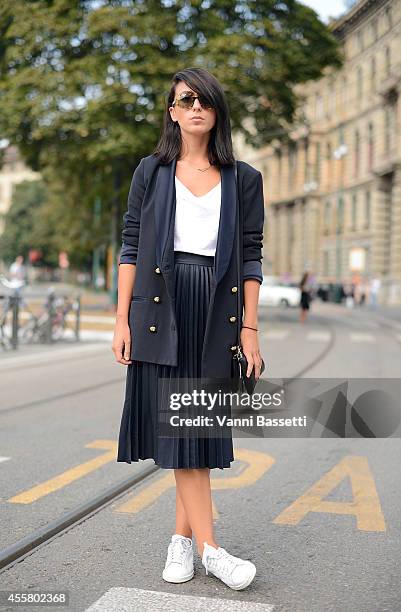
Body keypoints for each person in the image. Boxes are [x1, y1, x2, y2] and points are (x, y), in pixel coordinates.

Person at [112, 67, 265, 591]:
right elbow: (131, 245)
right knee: (181, 428)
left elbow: (250, 257)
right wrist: (120, 319)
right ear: (173, 111)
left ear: (216, 111)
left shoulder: (244, 179)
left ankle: (183, 542)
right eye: (185, 100)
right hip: (162, 305)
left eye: (205, 101)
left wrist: (250, 329)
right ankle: (211, 549)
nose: (195, 107)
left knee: (193, 428)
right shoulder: (150, 172)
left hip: (216, 308)